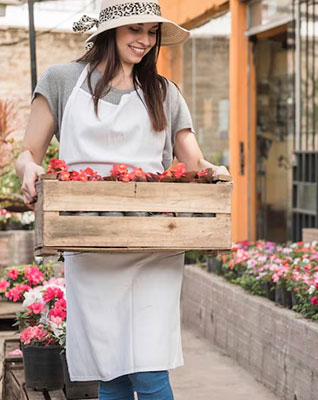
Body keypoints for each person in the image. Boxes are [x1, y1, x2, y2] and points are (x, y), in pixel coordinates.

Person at [15, 1, 228, 398]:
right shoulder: (62, 81)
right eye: (136, 30)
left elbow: (193, 159)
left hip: (153, 241)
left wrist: (212, 171)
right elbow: (27, 153)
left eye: (152, 32)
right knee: (107, 368)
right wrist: (28, 170)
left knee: (150, 372)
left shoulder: (164, 92)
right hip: (89, 238)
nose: (145, 40)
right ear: (111, 31)